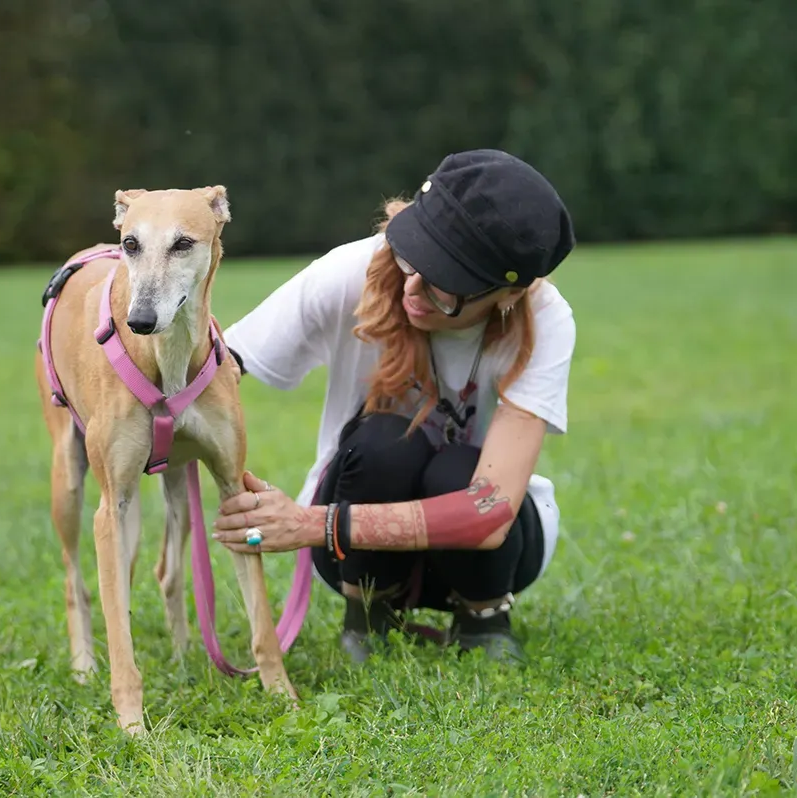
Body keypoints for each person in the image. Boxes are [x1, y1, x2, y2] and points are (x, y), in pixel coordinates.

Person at [211, 149, 577, 664]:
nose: (412, 288)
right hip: (353, 557)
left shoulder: (546, 321)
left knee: (456, 471)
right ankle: (369, 617)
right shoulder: (350, 270)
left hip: (499, 554)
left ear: (506, 295)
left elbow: (490, 512)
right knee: (383, 441)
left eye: (443, 283)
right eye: (413, 256)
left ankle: (484, 619)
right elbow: (221, 365)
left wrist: (310, 524)